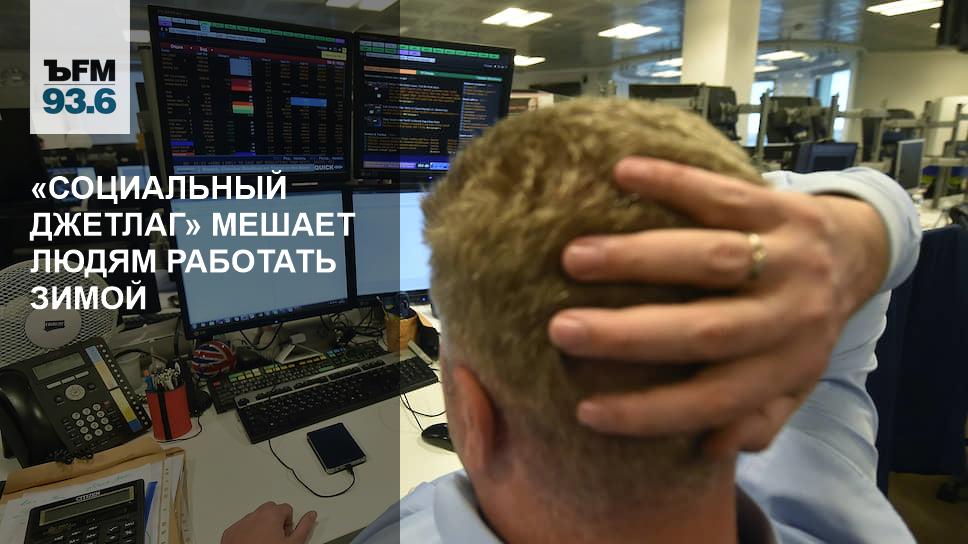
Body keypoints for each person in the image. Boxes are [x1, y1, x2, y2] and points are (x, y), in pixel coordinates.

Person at [222, 98, 920, 543]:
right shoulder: (819, 479)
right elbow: (878, 211)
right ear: (767, 381)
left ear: (472, 413)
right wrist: (858, 234)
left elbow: (845, 256)